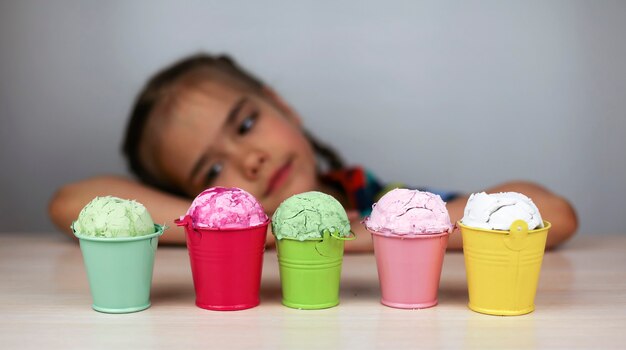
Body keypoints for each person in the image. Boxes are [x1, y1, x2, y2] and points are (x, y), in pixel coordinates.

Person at [48, 54, 578, 252]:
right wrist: (257, 230)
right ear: (193, 197)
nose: (249, 158)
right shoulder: (221, 240)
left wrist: (371, 235)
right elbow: (70, 201)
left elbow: (553, 214)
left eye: (247, 123)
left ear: (283, 106)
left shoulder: (377, 198)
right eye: (211, 169)